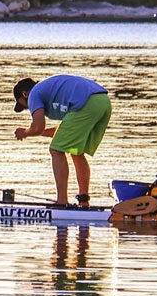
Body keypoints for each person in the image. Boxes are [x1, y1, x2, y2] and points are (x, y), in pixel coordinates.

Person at [13, 73, 112, 206]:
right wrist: (39, 132)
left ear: (25, 94)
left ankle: (61, 201)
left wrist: (25, 132)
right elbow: (65, 130)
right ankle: (84, 201)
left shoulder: (34, 94)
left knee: (56, 150)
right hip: (102, 102)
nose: (29, 108)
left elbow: (38, 126)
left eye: (25, 106)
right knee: (75, 150)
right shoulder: (47, 90)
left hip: (85, 104)